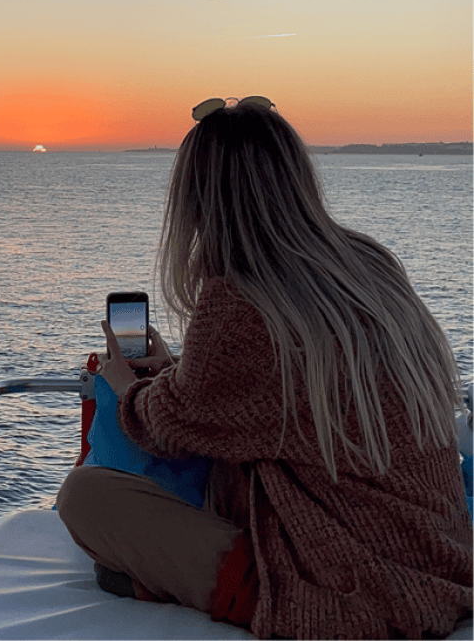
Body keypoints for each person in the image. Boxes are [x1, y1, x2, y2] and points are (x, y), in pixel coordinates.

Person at [56, 97, 473, 639]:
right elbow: (276, 394)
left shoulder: (240, 301)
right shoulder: (369, 265)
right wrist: (178, 371)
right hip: (438, 547)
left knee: (85, 499)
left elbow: (172, 427)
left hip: (345, 575)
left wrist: (125, 387)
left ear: (201, 201)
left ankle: (239, 591)